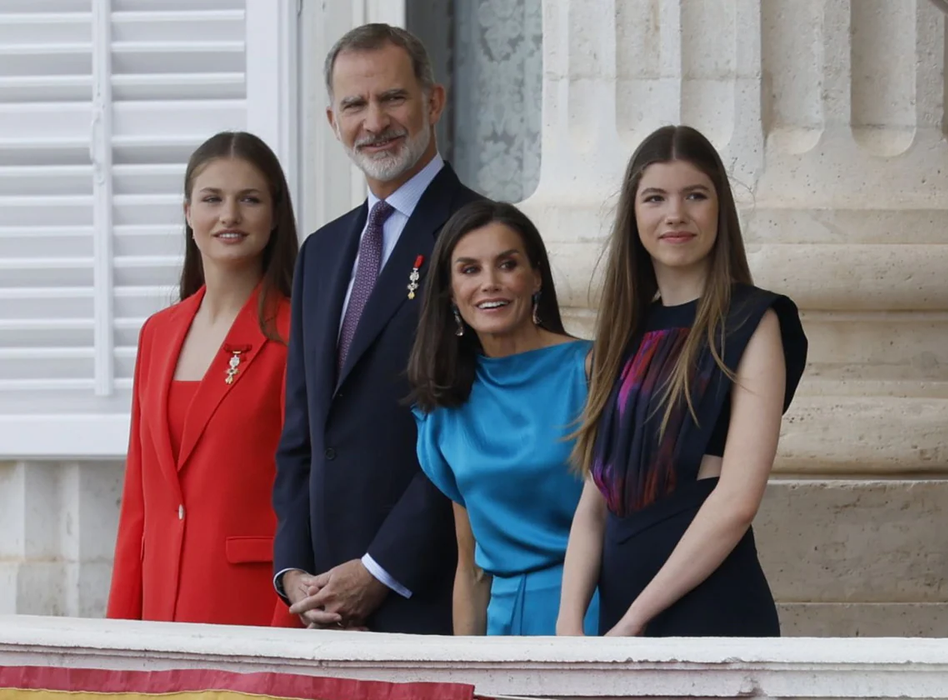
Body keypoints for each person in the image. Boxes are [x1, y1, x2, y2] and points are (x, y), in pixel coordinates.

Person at [556, 125, 808, 637]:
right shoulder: (619, 338)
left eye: (695, 195)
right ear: (634, 214)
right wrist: (568, 626)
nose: (675, 214)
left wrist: (632, 625)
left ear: (720, 209)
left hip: (710, 612)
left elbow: (737, 502)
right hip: (617, 619)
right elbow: (593, 506)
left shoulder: (755, 323)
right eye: (655, 198)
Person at [272, 23, 481, 633]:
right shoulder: (321, 250)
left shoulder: (481, 238)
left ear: (433, 101)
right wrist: (293, 570)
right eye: (354, 105)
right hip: (321, 608)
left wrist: (379, 569)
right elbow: (302, 431)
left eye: (392, 98)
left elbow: (480, 434)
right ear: (332, 120)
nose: (374, 121)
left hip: (430, 597)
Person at [107, 131, 300, 626]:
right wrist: (120, 634)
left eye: (249, 199)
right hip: (160, 609)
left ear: (275, 214)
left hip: (254, 607)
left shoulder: (296, 332)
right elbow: (139, 503)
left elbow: (306, 492)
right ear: (187, 211)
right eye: (212, 199)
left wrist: (288, 632)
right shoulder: (157, 333)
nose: (229, 216)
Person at [407, 200, 599, 636]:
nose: (489, 284)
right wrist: (467, 679)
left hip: (593, 616)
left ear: (536, 277)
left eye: (507, 264)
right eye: (470, 270)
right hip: (504, 627)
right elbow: (471, 570)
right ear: (450, 291)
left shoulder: (591, 371)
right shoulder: (444, 404)